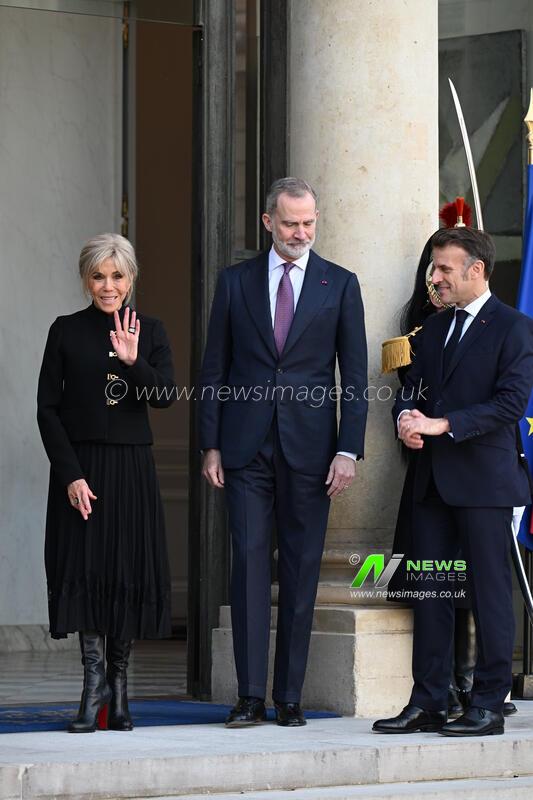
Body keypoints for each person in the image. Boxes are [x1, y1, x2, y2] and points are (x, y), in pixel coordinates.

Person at [200, 177, 368, 727]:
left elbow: (356, 377)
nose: (301, 233)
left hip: (314, 452)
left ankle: (289, 696)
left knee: (300, 571)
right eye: (291, 223)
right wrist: (211, 443)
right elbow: (214, 371)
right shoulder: (235, 282)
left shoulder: (340, 284)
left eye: (309, 223)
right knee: (248, 567)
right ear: (268, 221)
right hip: (245, 449)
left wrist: (349, 450)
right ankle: (250, 695)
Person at [373, 225, 533, 737]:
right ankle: (429, 701)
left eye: (443, 269)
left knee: (487, 594)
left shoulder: (514, 328)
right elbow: (412, 392)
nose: (434, 278)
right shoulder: (435, 330)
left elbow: (510, 404)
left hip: (485, 483)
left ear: (475, 270)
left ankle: (487, 704)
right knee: (432, 594)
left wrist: (442, 424)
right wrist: (405, 418)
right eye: (433, 268)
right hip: (432, 483)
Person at [37, 233, 175, 733]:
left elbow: (164, 397)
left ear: (131, 279)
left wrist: (135, 359)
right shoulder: (65, 331)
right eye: (99, 275)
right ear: (85, 279)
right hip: (81, 470)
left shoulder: (151, 330)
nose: (108, 285)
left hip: (131, 470)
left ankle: (118, 687)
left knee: (124, 572)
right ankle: (93, 682)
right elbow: (47, 410)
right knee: (88, 569)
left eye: (117, 276)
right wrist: (70, 474)